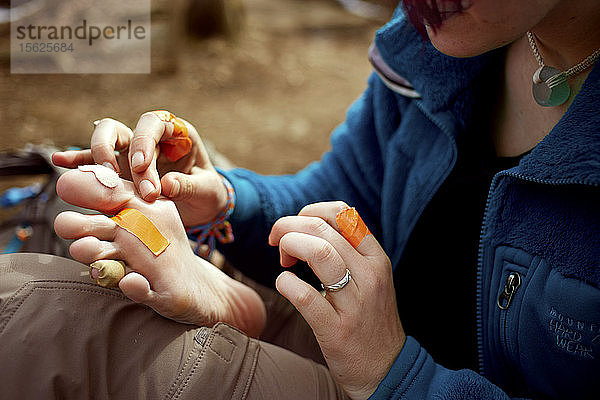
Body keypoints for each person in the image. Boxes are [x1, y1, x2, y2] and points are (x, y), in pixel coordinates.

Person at [2, 0, 600, 398]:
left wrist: (395, 375)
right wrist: (225, 203)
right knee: (68, 230)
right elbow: (341, 198)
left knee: (45, 318)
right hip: (364, 359)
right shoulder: (438, 45)